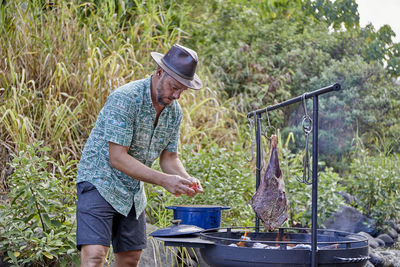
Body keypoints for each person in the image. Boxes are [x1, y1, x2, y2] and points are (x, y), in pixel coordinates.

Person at [75, 44, 204, 267]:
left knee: (130, 259)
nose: (176, 95)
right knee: (95, 255)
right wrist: (164, 181)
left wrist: (186, 179)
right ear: (159, 72)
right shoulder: (126, 98)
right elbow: (117, 157)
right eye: (174, 87)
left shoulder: (174, 113)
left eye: (182, 90)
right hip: (100, 180)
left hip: (132, 191)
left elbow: (169, 158)